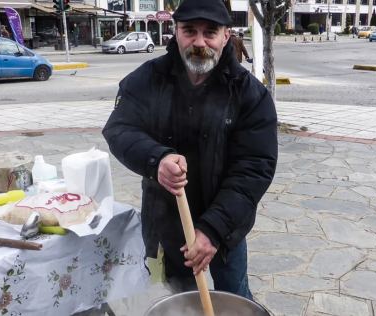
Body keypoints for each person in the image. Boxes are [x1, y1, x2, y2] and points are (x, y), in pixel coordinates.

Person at [102, 0, 277, 300]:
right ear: (175, 31)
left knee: (234, 297)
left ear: (226, 35)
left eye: (210, 32)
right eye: (190, 31)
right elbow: (119, 129)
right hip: (166, 225)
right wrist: (156, 159)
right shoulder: (149, 78)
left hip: (225, 229)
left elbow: (254, 167)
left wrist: (212, 230)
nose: (199, 42)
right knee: (174, 300)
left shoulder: (249, 94)